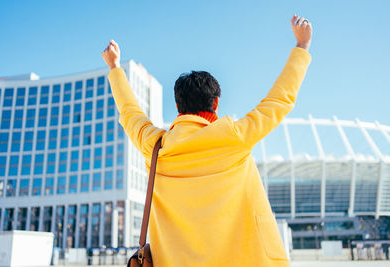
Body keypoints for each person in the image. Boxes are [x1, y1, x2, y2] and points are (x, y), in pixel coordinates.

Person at [102, 14, 312, 267]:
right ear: (215, 103)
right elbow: (279, 101)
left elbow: (129, 112)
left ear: (178, 105)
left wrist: (114, 68)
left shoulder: (155, 145)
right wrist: (301, 47)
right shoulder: (235, 138)